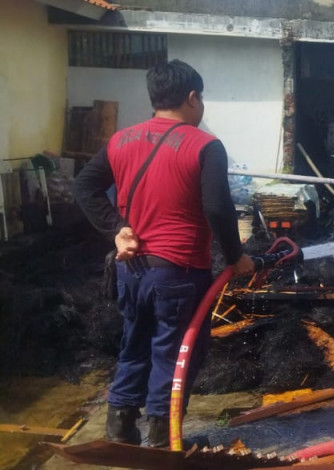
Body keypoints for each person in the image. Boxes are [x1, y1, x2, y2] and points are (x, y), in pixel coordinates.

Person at [74, 59, 254, 447]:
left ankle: (119, 429)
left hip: (131, 270)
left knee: (134, 343)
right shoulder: (206, 145)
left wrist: (117, 229)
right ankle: (162, 437)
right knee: (173, 354)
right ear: (192, 98)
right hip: (179, 272)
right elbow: (219, 208)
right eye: (201, 97)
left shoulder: (120, 140)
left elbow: (85, 187)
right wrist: (236, 257)